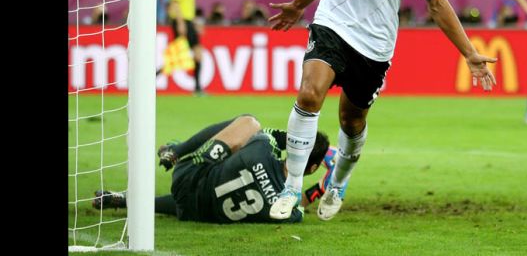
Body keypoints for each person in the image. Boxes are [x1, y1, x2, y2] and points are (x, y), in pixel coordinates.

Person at [266, 0, 498, 222]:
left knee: (351, 122)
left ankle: (338, 181)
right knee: (310, 93)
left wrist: (469, 52)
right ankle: (292, 186)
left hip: (375, 44)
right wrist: (298, 6)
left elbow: (436, 4)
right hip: (333, 24)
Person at [93, 115, 343, 223]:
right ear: (311, 168)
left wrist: (301, 138)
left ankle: (177, 151)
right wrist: (323, 186)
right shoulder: (288, 213)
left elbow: (276, 136)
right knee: (213, 193)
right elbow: (300, 203)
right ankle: (123, 200)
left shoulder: (263, 146)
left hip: (187, 178)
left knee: (249, 123)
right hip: (200, 212)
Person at [168, 0, 205, 95]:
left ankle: (197, 88)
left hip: (188, 21)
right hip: (181, 21)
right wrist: (180, 23)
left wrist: (194, 23)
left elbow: (188, 6)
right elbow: (175, 3)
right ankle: (149, 79)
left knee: (197, 53)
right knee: (176, 58)